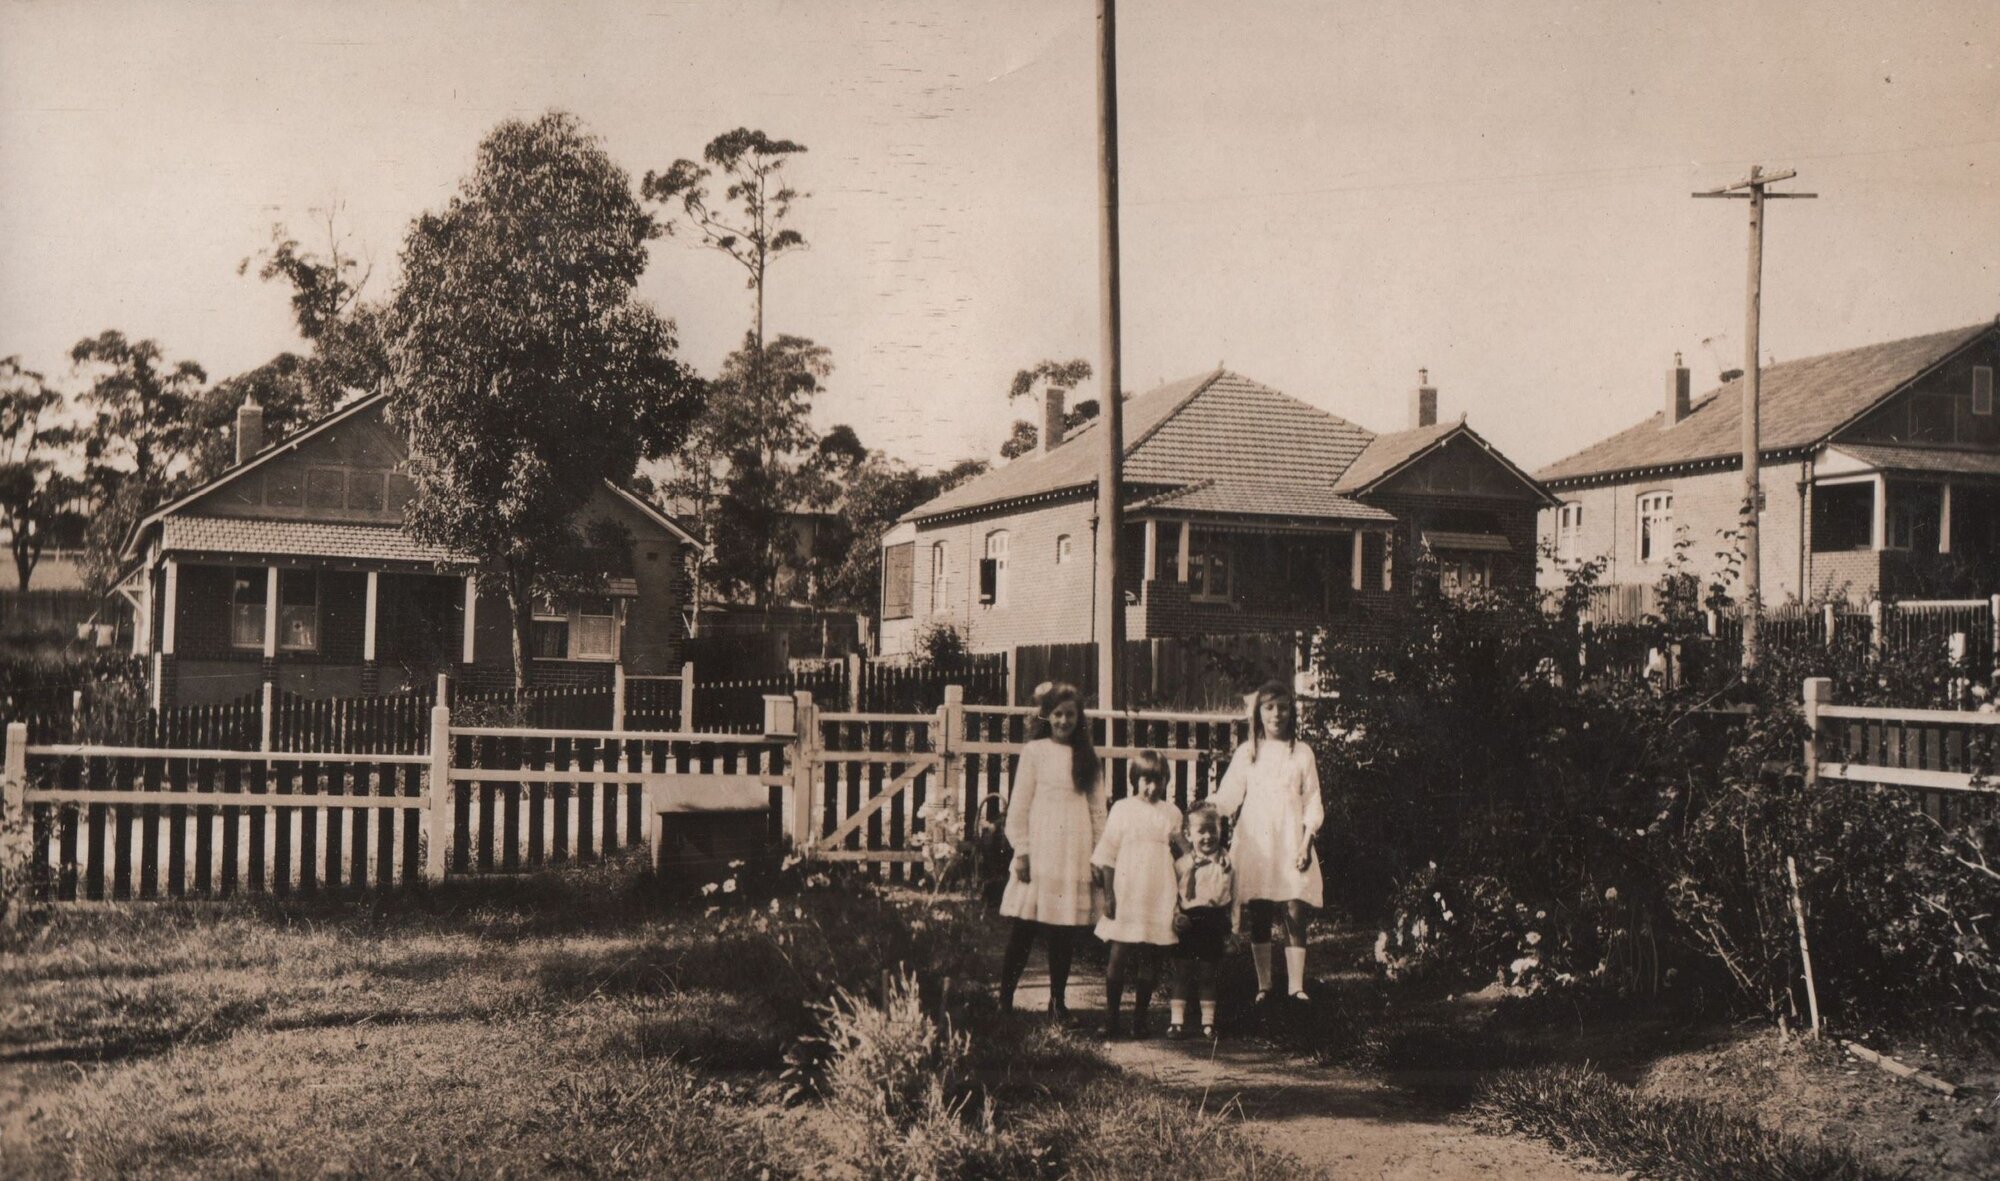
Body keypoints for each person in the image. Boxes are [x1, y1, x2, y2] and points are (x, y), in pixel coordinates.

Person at [997, 681, 1107, 1017]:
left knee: (1064, 930)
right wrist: (1022, 850)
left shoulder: (1087, 756)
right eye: (1057, 714)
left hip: (1074, 851)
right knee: (1024, 927)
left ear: (1079, 718)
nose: (1063, 721)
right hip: (1040, 850)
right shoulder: (1035, 752)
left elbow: (1097, 811)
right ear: (1047, 716)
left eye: (1070, 715)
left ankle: (1057, 1002)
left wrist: (1098, 856)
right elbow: (1019, 805)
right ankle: (1004, 1000)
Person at [1211, 680, 1324, 1002]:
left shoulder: (1302, 753)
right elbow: (1228, 796)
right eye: (1269, 707)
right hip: (1257, 842)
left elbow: (1312, 800)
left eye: (1283, 707)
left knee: (1295, 907)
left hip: (1291, 840)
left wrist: (1306, 843)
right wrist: (1207, 810)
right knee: (1260, 909)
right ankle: (1264, 986)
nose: (1277, 714)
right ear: (1258, 713)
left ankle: (1296, 987)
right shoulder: (1248, 752)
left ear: (1292, 712)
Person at [1091, 750, 1183, 1039]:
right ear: (1134, 779)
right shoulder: (1122, 809)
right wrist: (1109, 895)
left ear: (1166, 781)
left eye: (1159, 781)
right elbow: (1108, 856)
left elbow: (1183, 854)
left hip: (1158, 891)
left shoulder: (1172, 813)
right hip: (1127, 891)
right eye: (1146, 780)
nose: (1152, 788)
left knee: (1150, 956)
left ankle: (1139, 1020)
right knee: (1118, 953)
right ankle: (1111, 1018)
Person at [1168, 801, 1236, 1039]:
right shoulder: (1181, 865)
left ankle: (1208, 1023)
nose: (1208, 837)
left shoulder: (1225, 864)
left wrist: (1233, 932)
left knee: (1208, 974)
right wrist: (1176, 916)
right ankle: (1176, 1022)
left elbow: (1233, 898)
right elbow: (1172, 894)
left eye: (1213, 830)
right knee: (1182, 973)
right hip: (1188, 922)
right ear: (1188, 835)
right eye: (1201, 831)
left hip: (1212, 922)